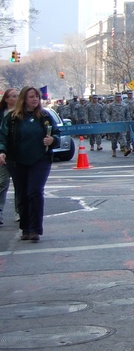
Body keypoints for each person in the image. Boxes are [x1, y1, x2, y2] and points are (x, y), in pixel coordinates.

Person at [0, 87, 58, 241]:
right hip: (17, 160)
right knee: (22, 193)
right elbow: (3, 136)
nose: (35, 100)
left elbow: (56, 133)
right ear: (23, 99)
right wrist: (2, 151)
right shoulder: (12, 118)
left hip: (41, 159)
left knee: (35, 191)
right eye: (31, 97)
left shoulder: (45, 116)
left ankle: (35, 229)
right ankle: (25, 228)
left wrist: (53, 140)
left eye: (37, 97)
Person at [0, 88, 18, 225]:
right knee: (2, 182)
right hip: (3, 153)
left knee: (20, 184)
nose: (16, 98)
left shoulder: (22, 113)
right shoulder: (2, 114)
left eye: (18, 96)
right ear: (6, 99)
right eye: (13, 96)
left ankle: (20, 211)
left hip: (18, 153)